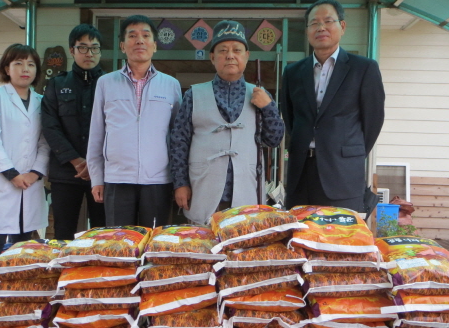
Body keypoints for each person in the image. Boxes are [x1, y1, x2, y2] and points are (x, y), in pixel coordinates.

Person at [170, 20, 285, 225]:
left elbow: (274, 139)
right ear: (212, 57)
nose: (230, 55)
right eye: (223, 50)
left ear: (246, 56)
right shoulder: (193, 95)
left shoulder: (259, 94)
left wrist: (268, 108)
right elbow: (179, 141)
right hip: (203, 189)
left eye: (236, 50)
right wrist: (180, 183)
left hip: (245, 190)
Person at [281, 0, 385, 212]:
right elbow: (291, 120)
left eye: (328, 21)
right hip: (301, 173)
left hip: (343, 173)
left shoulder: (363, 69)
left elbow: (373, 120)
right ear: (307, 30)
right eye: (314, 23)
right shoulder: (293, 72)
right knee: (298, 237)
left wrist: (345, 151)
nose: (321, 28)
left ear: (342, 26)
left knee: (340, 239)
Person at [0, 43, 50, 294]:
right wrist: (13, 175)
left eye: (31, 64)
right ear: (7, 67)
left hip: (30, 182)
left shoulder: (41, 101)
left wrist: (34, 173)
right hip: (1, 181)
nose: (25, 69)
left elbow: (45, 143)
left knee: (24, 241)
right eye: (18, 63)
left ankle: (17, 294)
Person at [86, 15, 181, 228]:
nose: (140, 41)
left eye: (146, 36)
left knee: (153, 244)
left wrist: (179, 181)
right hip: (117, 180)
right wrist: (97, 178)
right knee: (120, 245)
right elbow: (97, 134)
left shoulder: (171, 85)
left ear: (155, 46)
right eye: (133, 36)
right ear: (122, 45)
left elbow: (177, 138)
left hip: (158, 180)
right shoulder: (106, 83)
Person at [41, 24, 106, 240]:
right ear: (72, 50)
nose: (89, 53)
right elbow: (50, 126)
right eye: (83, 48)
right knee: (63, 232)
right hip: (65, 172)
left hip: (103, 172)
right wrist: (76, 161)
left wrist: (94, 162)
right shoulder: (57, 84)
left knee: (102, 233)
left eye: (94, 48)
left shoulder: (110, 84)